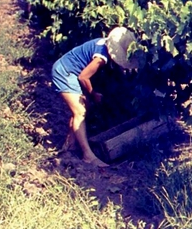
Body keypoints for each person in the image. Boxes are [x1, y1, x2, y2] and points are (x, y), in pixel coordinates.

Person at [51, 27, 138, 167]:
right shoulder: (101, 58)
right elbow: (84, 77)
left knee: (79, 110)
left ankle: (69, 147)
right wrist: (93, 94)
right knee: (80, 112)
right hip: (65, 72)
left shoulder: (103, 44)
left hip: (69, 70)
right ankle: (88, 155)